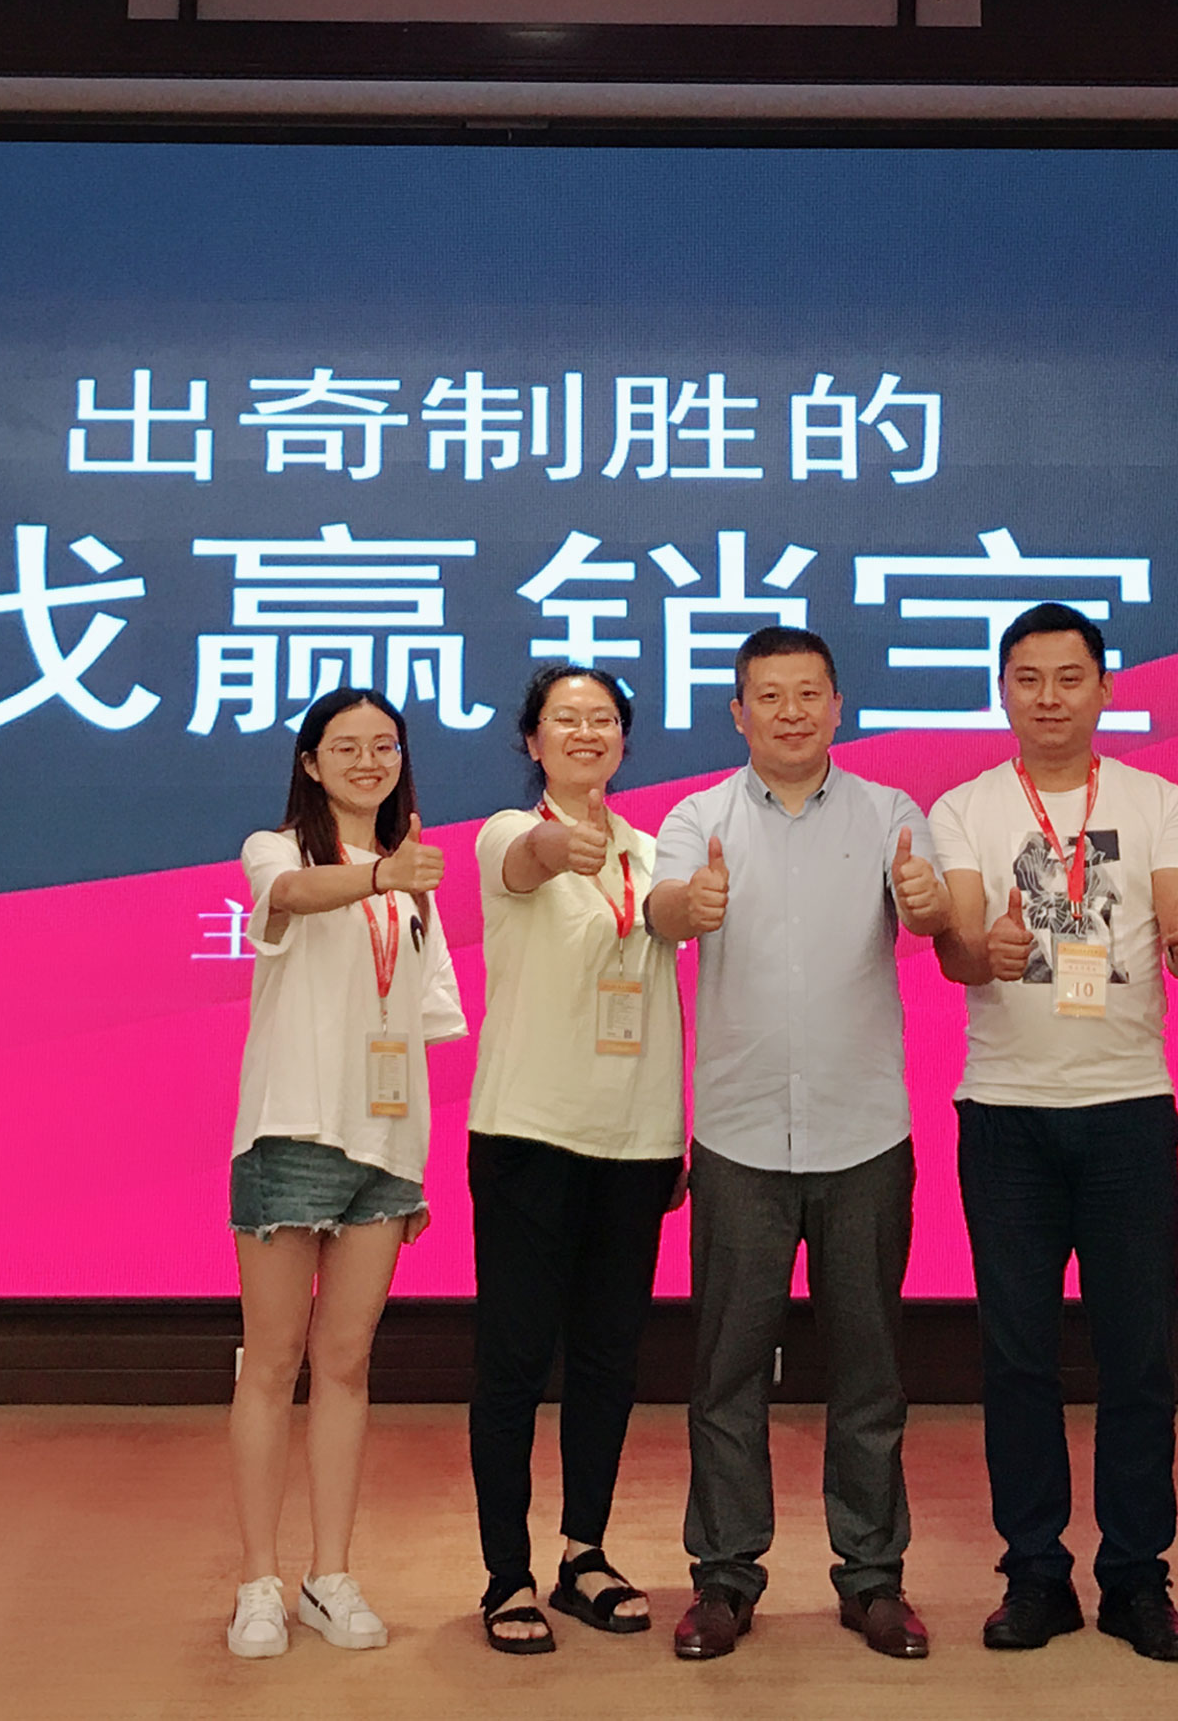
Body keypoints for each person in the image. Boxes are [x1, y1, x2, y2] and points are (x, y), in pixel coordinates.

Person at [645, 624, 956, 1663]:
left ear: (837, 706)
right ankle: (724, 1576)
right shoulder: (698, 816)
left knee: (869, 1370)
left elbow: (930, 909)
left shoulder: (890, 812)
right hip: (739, 1135)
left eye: (807, 693)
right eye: (768, 695)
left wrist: (927, 902)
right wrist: (688, 903)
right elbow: (662, 908)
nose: (789, 711)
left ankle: (872, 1577)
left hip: (863, 1130)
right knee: (726, 1370)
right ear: (738, 712)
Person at [926, 603, 1178, 1662]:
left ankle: (1136, 1575)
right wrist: (981, 951)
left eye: (1069, 676)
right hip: (1005, 1114)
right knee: (1018, 1357)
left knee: (1139, 1357)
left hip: (1129, 1108)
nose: (1048, 696)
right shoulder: (964, 806)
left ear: (1104, 687)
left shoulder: (1157, 798)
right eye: (1028, 678)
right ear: (1002, 690)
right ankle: (1035, 1571)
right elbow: (957, 943)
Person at [224, 686, 466, 1659]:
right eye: (347, 746)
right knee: (271, 1361)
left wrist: (414, 1159)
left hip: (386, 1151)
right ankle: (257, 1579)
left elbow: (422, 1021)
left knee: (347, 1363)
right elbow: (287, 899)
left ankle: (329, 1572)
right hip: (291, 1133)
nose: (370, 760)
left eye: (386, 745)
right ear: (311, 762)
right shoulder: (276, 848)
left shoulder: (417, 877)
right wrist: (380, 876)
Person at [466, 663, 683, 1655]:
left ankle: (583, 1551)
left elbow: (668, 928)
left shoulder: (650, 849)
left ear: (624, 740)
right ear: (533, 740)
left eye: (603, 719)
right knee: (514, 1358)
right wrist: (562, 843)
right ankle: (505, 1573)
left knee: (607, 1358)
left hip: (635, 1139)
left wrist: (695, 901)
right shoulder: (506, 833)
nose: (587, 732)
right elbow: (531, 860)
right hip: (528, 1132)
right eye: (567, 719)